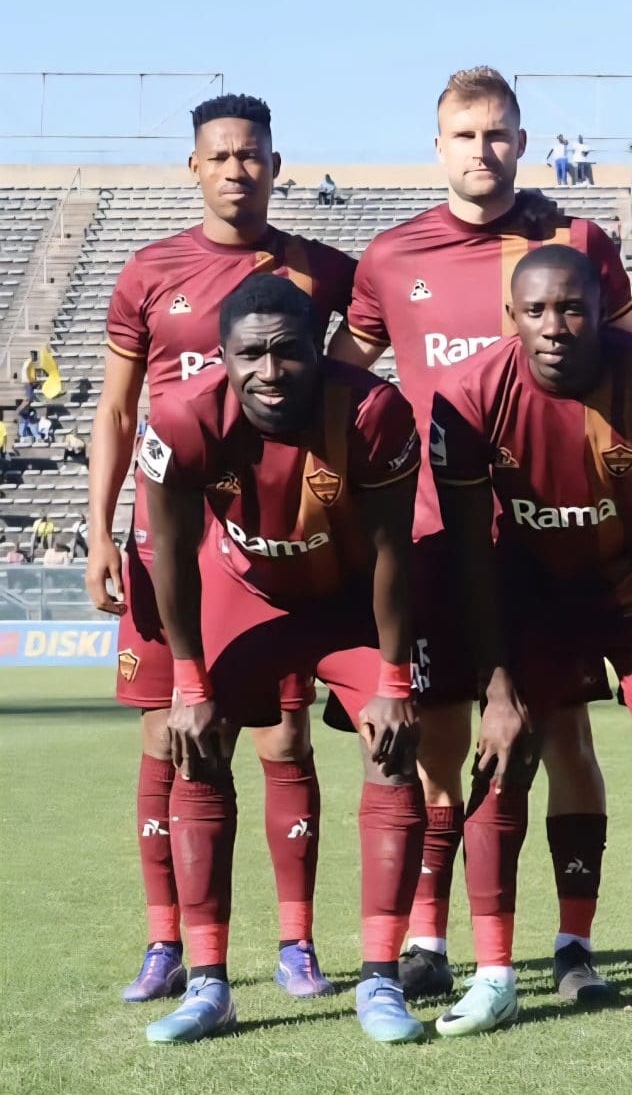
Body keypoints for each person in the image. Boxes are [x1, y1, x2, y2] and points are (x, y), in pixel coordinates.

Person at [329, 66, 632, 1003]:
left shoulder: (574, 242)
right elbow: (341, 381)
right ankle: (429, 934)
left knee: (562, 735)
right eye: (466, 135)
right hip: (435, 538)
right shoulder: (392, 257)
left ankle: (574, 942)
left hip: (552, 545)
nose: (485, 150)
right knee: (440, 743)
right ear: (439, 147)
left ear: (523, 142)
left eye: (501, 133)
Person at [88, 93, 352, 1004]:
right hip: (169, 539)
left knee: (283, 736)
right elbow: (118, 411)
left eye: (253, 155)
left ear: (276, 165)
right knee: (170, 735)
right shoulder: (149, 270)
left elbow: (366, 373)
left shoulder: (322, 271)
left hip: (274, 541)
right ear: (193, 167)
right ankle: (169, 942)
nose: (238, 168)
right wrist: (97, 530)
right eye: (221, 155)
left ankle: (296, 943)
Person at [428, 245, 632, 1036]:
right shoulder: (468, 394)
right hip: (528, 593)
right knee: (502, 753)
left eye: (572, 309)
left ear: (599, 309)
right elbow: (469, 554)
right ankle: (495, 975)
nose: (555, 326)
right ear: (511, 318)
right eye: (538, 311)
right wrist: (496, 686)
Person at [136, 274, 427, 1045]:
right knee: (197, 751)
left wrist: (395, 680)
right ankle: (208, 984)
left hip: (348, 601)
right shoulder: (179, 416)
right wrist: (190, 680)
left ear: (317, 350)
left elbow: (397, 548)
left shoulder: (372, 411)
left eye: (289, 352)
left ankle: (380, 980)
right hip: (243, 594)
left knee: (392, 749)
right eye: (251, 354)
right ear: (222, 357)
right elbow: (169, 551)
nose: (270, 371)